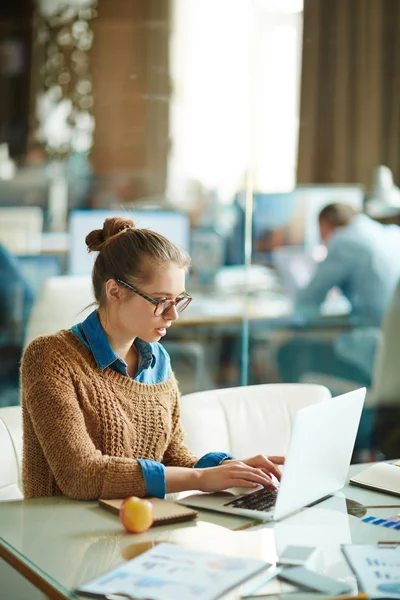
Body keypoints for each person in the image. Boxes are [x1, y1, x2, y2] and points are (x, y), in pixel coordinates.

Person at [21, 217, 284, 499]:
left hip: (139, 526)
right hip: (61, 535)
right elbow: (81, 476)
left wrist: (230, 467)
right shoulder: (50, 357)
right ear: (114, 291)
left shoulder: (157, 359)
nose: (173, 315)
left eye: (178, 300)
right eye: (161, 301)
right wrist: (200, 477)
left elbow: (173, 458)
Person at [277, 203, 400, 454]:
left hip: (374, 350)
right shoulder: (388, 234)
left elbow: (308, 301)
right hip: (391, 360)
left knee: (286, 351)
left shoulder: (345, 241)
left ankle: (301, 446)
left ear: (326, 226)